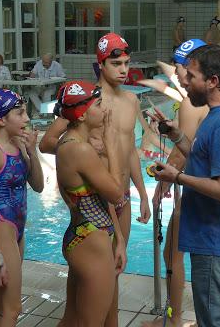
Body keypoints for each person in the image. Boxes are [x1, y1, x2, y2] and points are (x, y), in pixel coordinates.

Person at [39, 32, 151, 327]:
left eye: (127, 63)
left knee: (113, 270)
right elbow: (48, 143)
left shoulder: (130, 100)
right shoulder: (87, 100)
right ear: (101, 64)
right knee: (98, 274)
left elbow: (128, 152)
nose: (124, 70)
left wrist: (142, 193)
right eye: (117, 64)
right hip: (96, 197)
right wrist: (89, 148)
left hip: (121, 195)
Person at [150, 44, 220, 327]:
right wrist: (177, 136)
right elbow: (205, 160)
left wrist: (177, 177)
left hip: (217, 247)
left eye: (191, 75)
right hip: (214, 241)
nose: (183, 80)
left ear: (213, 81)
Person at [142, 39, 209, 327]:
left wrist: (164, 182)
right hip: (205, 188)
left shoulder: (191, 105)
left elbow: (185, 150)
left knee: (173, 252)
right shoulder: (214, 101)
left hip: (197, 189)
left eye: (179, 68)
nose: (176, 74)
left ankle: (175, 319)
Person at [54, 80, 126, 326]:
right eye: (99, 104)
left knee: (72, 319)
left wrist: (118, 239)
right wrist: (111, 142)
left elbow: (98, 199)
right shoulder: (80, 151)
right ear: (83, 115)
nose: (104, 109)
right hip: (91, 243)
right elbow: (116, 194)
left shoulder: (69, 143)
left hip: (84, 236)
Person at [0, 88, 44, 326]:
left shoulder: (18, 144)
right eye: (20, 113)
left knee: (0, 303)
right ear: (1, 119)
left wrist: (32, 150)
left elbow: (38, 186)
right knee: (13, 308)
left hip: (17, 231)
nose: (27, 118)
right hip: (1, 230)